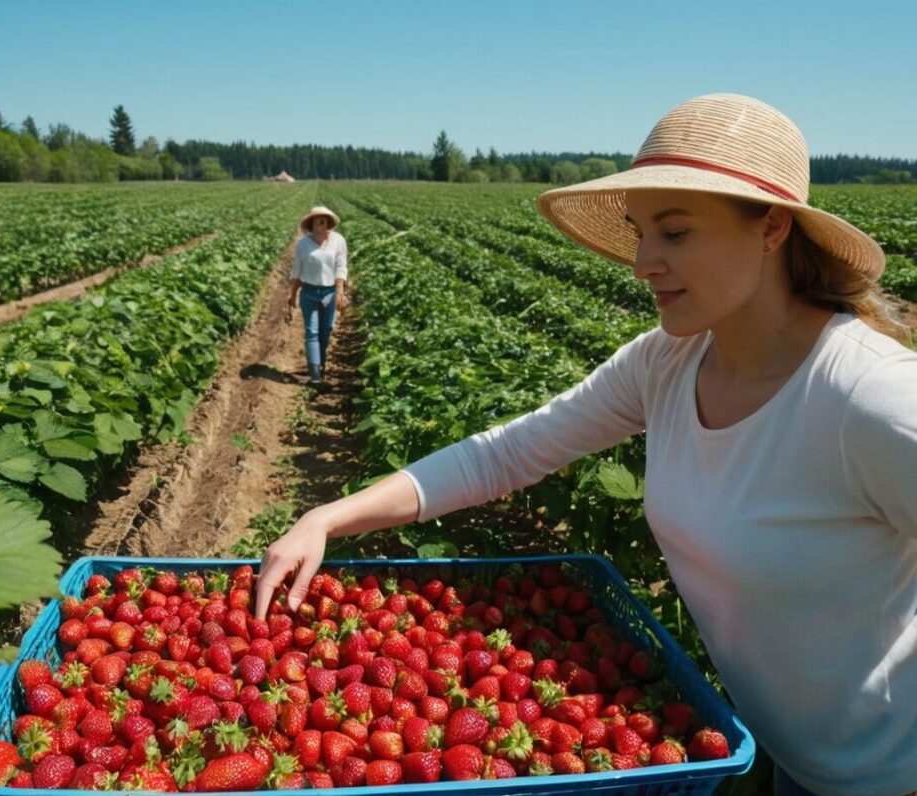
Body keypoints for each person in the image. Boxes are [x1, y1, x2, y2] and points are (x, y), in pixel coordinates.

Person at [255, 94, 917, 795]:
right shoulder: (667, 362)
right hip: (767, 749)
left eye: (676, 233)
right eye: (640, 233)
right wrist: (327, 517)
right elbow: (504, 454)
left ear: (773, 228)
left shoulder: (868, 398)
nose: (642, 262)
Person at [287, 205, 348, 385]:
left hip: (329, 292)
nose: (322, 222)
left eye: (325, 219)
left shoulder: (338, 240)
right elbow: (296, 272)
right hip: (309, 292)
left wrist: (340, 293)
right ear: (311, 224)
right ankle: (315, 377)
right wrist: (292, 295)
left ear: (329, 222)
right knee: (311, 331)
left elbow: (340, 268)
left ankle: (320, 364)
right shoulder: (303, 244)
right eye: (318, 219)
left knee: (326, 329)